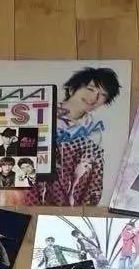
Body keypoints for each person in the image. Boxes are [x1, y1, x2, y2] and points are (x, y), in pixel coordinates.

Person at [26, 66, 122, 206]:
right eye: (90, 89)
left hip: (64, 191)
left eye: (102, 95)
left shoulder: (93, 131)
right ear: (72, 89)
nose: (94, 98)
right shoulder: (41, 112)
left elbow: (87, 173)